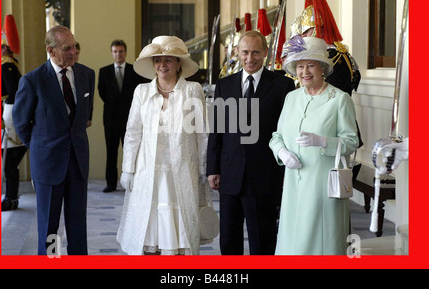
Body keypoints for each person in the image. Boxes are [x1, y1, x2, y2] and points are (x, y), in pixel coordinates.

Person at [116, 35, 207, 255]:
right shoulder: (142, 92)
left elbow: (203, 134)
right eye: (158, 60)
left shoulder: (192, 90)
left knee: (180, 233)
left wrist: (204, 167)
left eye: (168, 59)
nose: (162, 65)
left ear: (179, 64)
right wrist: (128, 168)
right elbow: (133, 133)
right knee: (149, 232)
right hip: (149, 172)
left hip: (183, 171)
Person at [207, 30, 295, 255]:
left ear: (265, 53)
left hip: (265, 175)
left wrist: (285, 173)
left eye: (256, 52)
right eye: (245, 52)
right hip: (229, 173)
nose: (250, 58)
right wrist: (212, 169)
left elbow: (286, 132)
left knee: (263, 238)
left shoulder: (282, 86)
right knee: (228, 239)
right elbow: (216, 130)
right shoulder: (224, 85)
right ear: (237, 52)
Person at [269, 36, 359, 255]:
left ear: (322, 68)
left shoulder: (339, 99)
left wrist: (323, 142)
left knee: (320, 245)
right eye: (300, 66)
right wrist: (282, 152)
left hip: (323, 186)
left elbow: (351, 141)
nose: (304, 71)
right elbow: (276, 136)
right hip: (293, 185)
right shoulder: (291, 97)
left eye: (310, 65)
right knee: (292, 242)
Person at [13, 25, 95, 255]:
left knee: (78, 225)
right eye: (66, 48)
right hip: (48, 166)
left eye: (74, 46)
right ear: (50, 50)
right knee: (50, 228)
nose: (73, 52)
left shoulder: (87, 75)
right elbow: (21, 124)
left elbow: (86, 114)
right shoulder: (33, 81)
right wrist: (42, 148)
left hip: (78, 162)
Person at [98, 40, 149, 192]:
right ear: (112, 53)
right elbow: (102, 92)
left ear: (125, 53)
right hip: (111, 119)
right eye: (115, 51)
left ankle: (133, 182)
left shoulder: (135, 71)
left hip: (130, 119)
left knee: (132, 151)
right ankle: (111, 183)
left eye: (121, 51)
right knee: (111, 152)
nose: (118, 54)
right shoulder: (104, 71)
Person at [1, 44, 27, 211]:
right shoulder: (8, 64)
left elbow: (12, 91)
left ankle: (11, 198)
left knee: (9, 161)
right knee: (10, 162)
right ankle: (11, 197)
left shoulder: (7, 65)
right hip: (8, 112)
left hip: (9, 115)